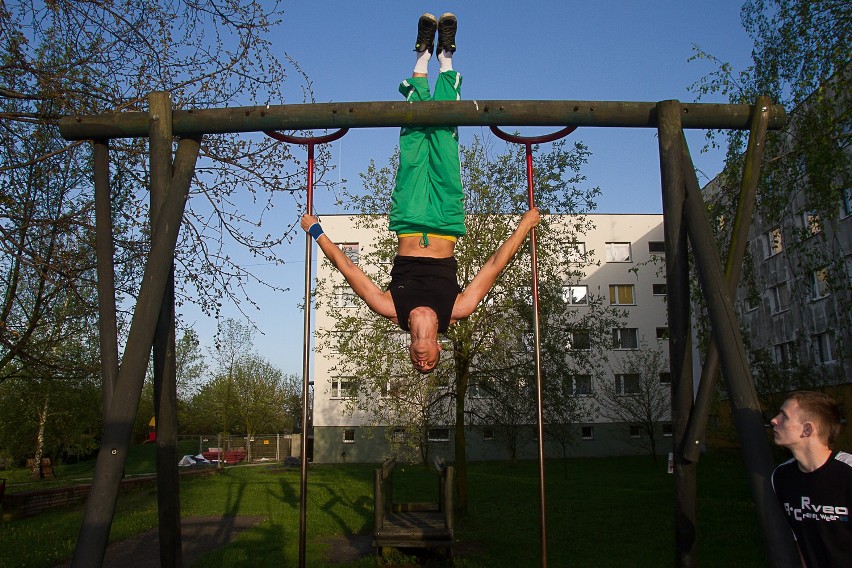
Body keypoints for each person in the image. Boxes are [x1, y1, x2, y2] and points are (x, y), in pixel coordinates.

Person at [301, 13, 540, 373]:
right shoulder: (458, 308)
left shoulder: (389, 307)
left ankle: (422, 55)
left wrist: (316, 232)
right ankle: (447, 56)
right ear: (440, 350)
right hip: (446, 219)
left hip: (409, 219)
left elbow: (348, 268)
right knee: (444, 144)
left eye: (417, 365)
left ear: (411, 352)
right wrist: (524, 226)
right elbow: (495, 264)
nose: (422, 362)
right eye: (430, 365)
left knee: (413, 148)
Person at [770, 390, 852, 567]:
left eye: (784, 416)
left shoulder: (847, 473)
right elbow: (799, 540)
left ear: (807, 429)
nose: (774, 420)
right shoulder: (781, 477)